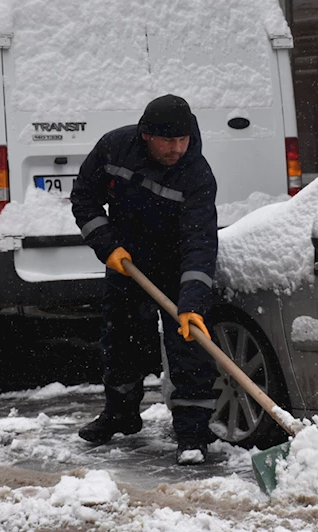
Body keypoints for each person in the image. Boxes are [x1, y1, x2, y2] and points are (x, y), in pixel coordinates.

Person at [70, 94, 220, 465]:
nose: (177, 149)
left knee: (188, 346)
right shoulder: (114, 148)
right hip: (128, 260)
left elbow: (200, 242)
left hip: (175, 265)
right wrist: (107, 246)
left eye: (183, 139)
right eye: (168, 140)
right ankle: (120, 414)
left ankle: (193, 434)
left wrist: (192, 303)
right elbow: (84, 198)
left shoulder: (197, 174)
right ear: (146, 135)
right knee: (120, 338)